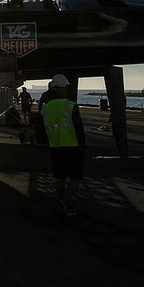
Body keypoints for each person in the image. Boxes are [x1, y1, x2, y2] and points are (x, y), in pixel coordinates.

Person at [41, 74, 86, 217]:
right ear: (66, 88)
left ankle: (61, 200)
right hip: (73, 146)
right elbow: (79, 128)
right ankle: (66, 201)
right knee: (76, 177)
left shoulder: (46, 108)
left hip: (55, 146)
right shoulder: (71, 105)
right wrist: (83, 146)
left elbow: (44, 128)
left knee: (59, 177)